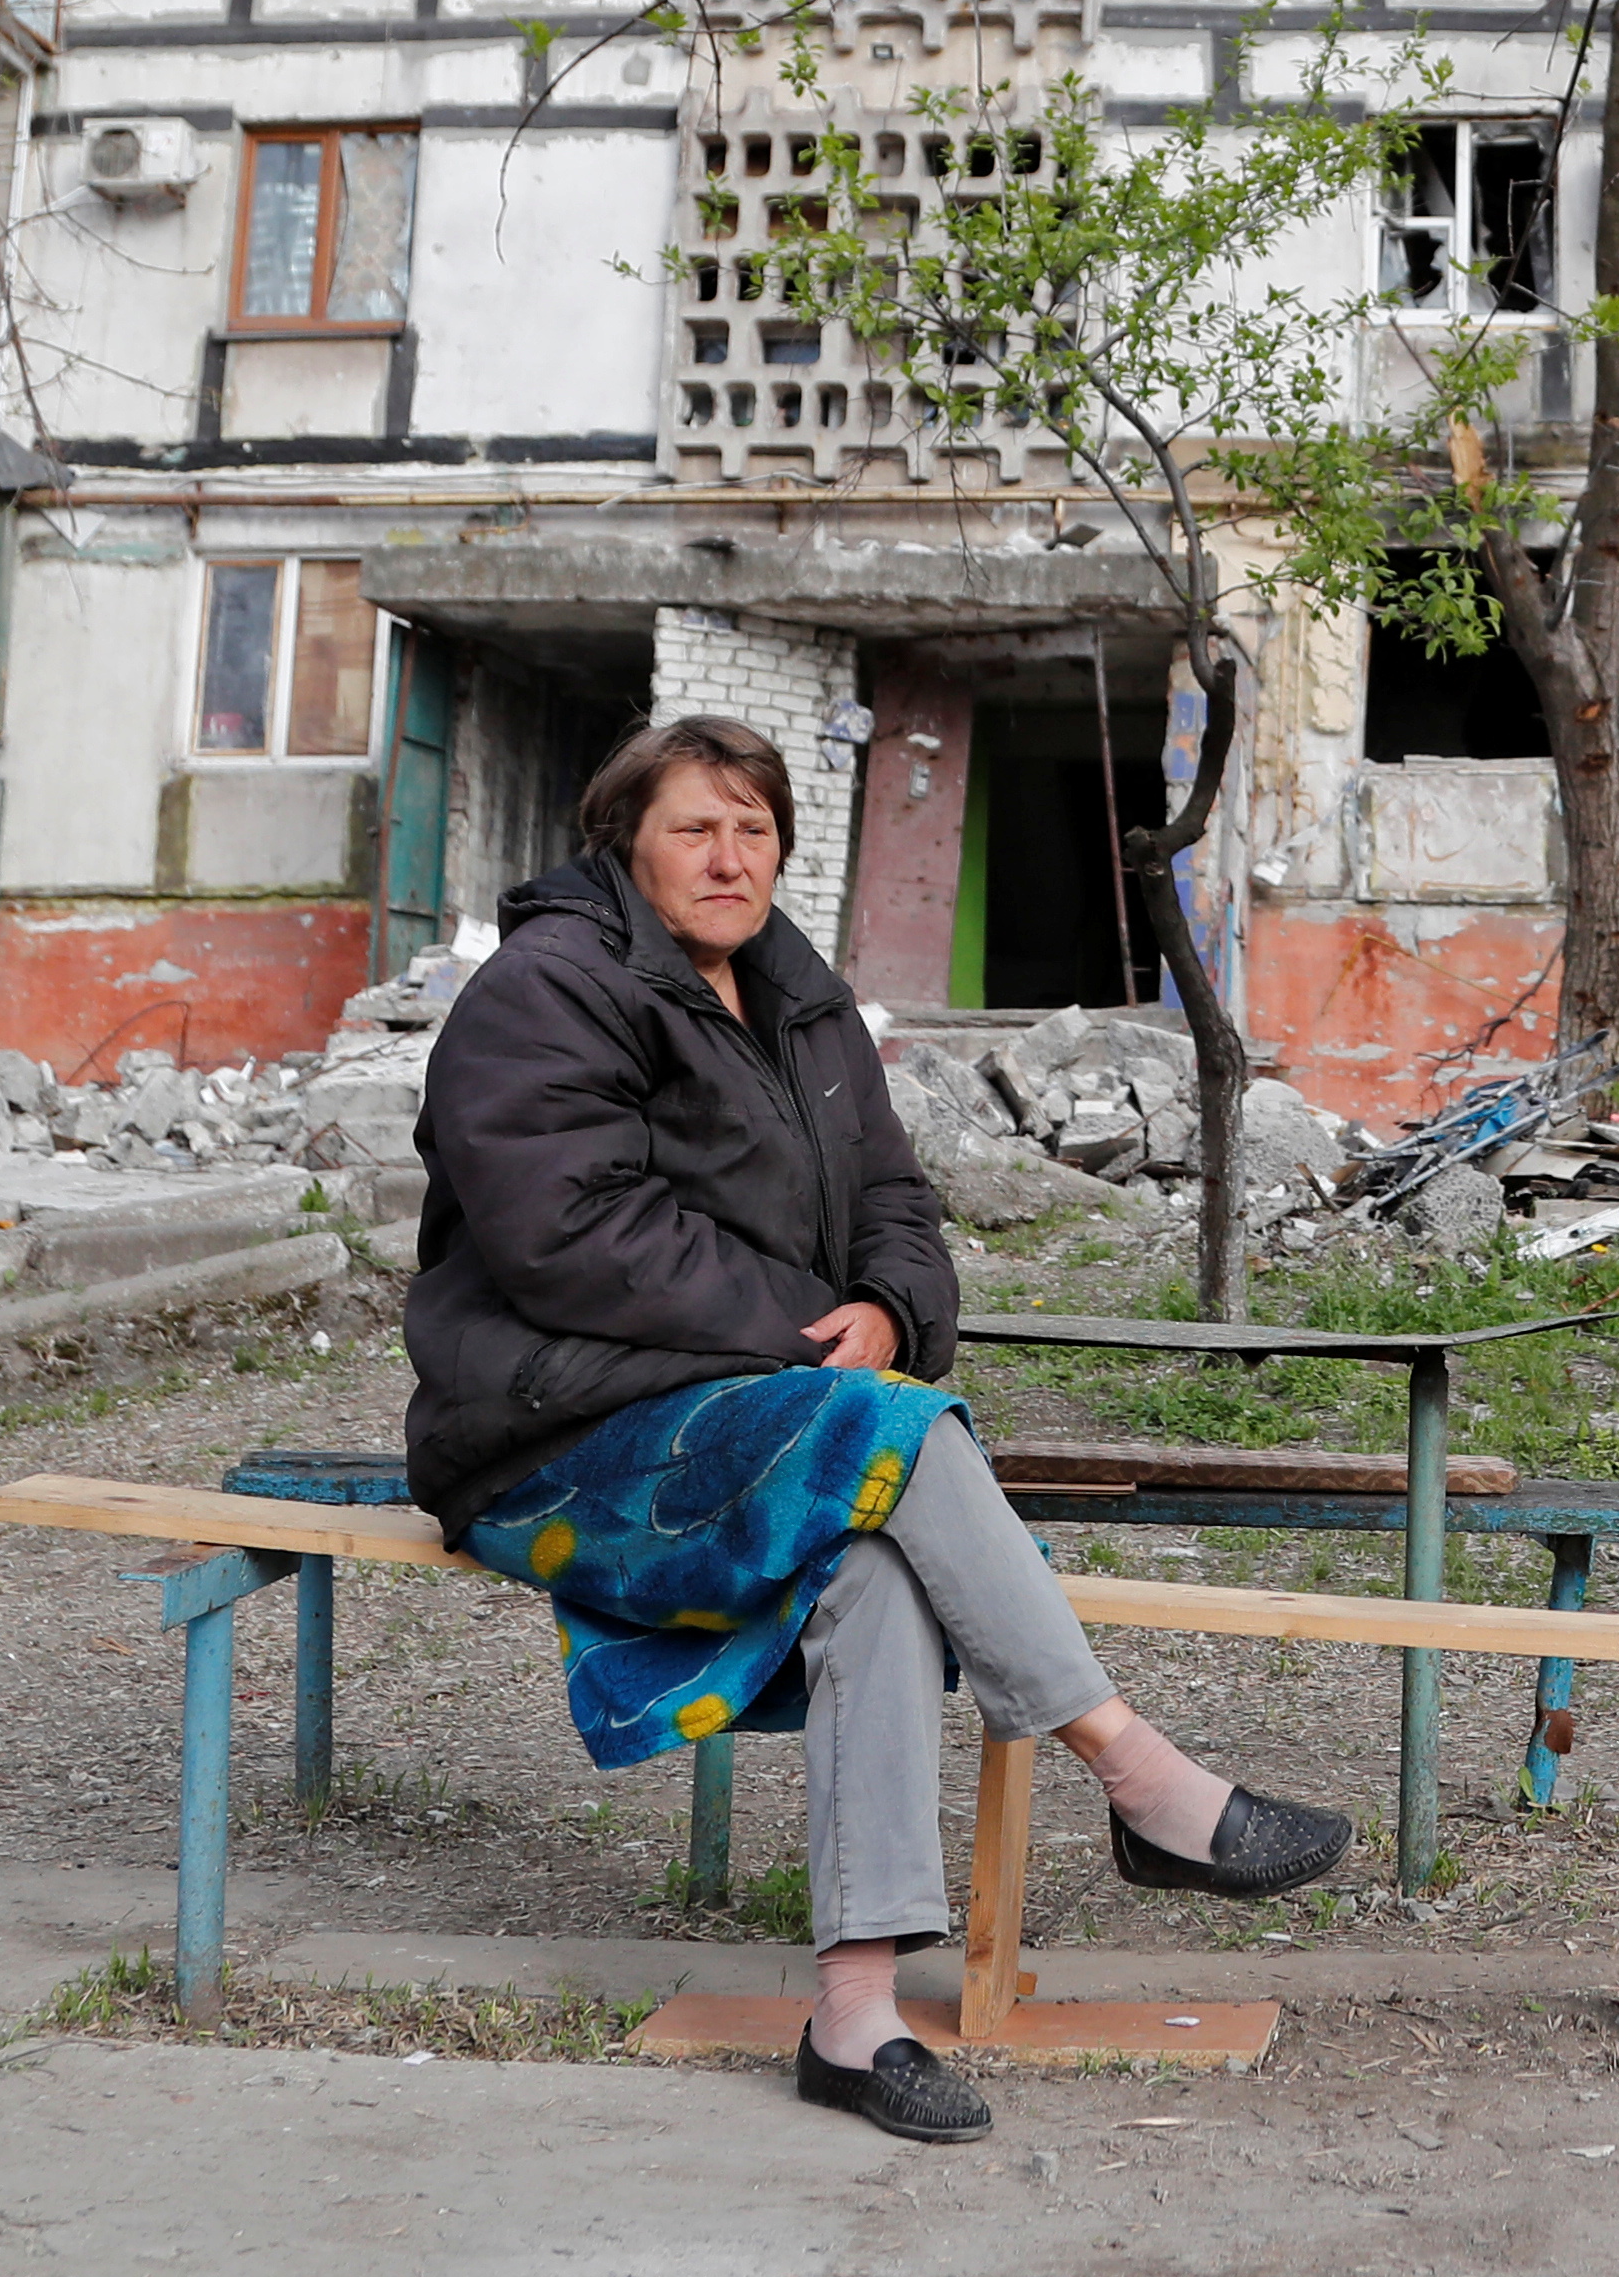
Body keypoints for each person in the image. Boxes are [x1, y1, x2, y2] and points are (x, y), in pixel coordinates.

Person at [400, 709, 1346, 2143]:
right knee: (881, 1430)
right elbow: (568, 1233)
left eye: (755, 830)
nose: (730, 860)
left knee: (872, 1565)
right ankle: (1140, 1774)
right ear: (623, 842)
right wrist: (812, 1333)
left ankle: (851, 2013)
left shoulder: (796, 996)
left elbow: (899, 1208)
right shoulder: (548, 989)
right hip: (554, 1440)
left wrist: (892, 1311)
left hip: (754, 1412)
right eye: (694, 829)